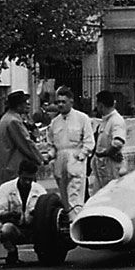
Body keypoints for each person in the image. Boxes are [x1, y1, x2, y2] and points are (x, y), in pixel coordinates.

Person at [47, 86, 95, 221]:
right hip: (60, 161)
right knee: (64, 197)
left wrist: (82, 155)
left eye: (63, 102)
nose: (60, 105)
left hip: (75, 160)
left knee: (75, 195)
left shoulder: (82, 118)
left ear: (71, 102)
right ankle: (68, 223)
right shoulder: (54, 123)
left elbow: (89, 141)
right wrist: (50, 155)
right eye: (58, 102)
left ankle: (76, 223)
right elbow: (51, 144)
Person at [0, 159, 47, 266]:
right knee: (5, 230)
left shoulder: (40, 190)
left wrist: (36, 214)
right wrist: (8, 214)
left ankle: (42, 250)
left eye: (30, 179)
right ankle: (12, 252)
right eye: (25, 179)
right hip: (15, 227)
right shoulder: (5, 188)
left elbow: (47, 213)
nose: (27, 182)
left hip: (34, 228)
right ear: (19, 174)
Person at [0, 90, 43, 189]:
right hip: (15, 167)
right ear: (18, 105)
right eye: (24, 103)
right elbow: (26, 144)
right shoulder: (14, 121)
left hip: (6, 165)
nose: (27, 105)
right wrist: (40, 158)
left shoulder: (6, 118)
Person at [90, 89, 127, 194]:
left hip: (111, 168)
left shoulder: (116, 120)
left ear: (101, 105)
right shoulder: (105, 121)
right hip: (102, 169)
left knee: (112, 195)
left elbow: (118, 142)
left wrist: (106, 153)